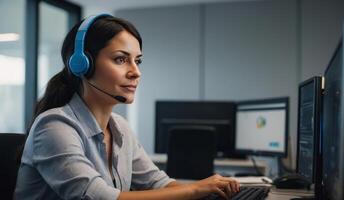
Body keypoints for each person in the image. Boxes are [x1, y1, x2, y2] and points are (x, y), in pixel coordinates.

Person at [14, 14, 239, 200]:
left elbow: (157, 183)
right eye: (121, 59)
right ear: (82, 64)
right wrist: (197, 189)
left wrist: (211, 189)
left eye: (137, 61)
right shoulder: (54, 127)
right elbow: (99, 198)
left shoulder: (120, 128)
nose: (136, 72)